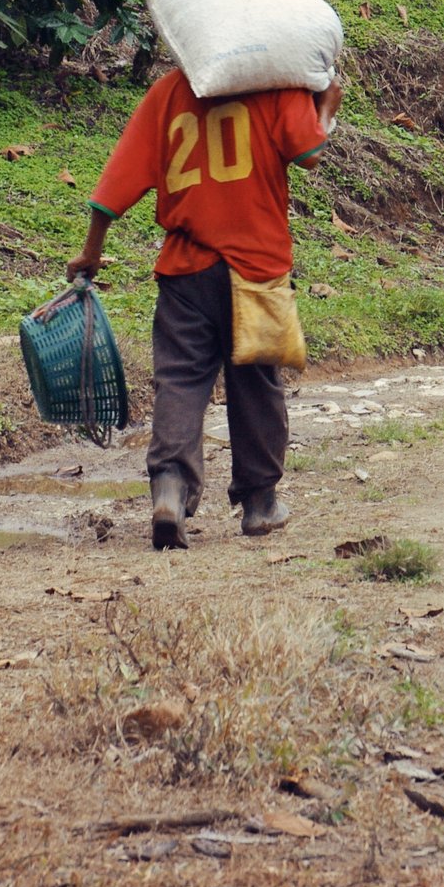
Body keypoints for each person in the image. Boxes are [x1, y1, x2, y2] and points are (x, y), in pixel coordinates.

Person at [68, 66, 345, 551]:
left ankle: (171, 491)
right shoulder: (276, 85)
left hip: (186, 269)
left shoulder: (169, 91)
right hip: (256, 267)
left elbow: (116, 184)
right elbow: (310, 153)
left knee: (180, 378)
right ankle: (260, 504)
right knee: (255, 382)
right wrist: (326, 106)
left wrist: (91, 252)